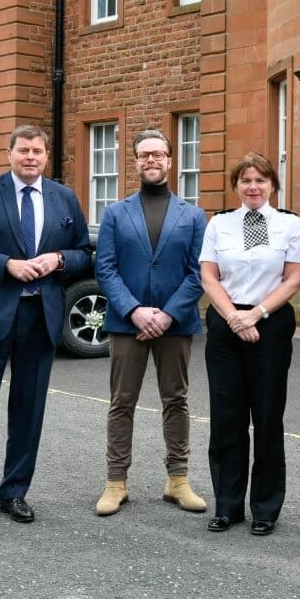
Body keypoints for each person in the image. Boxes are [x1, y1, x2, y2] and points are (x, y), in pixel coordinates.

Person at [0, 125, 92, 531]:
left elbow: (85, 253)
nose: (31, 157)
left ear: (47, 156)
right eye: (23, 150)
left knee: (28, 411)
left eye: (38, 151)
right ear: (10, 154)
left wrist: (60, 260)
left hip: (39, 317)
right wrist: (5, 265)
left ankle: (14, 492)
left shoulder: (64, 198)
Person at [93, 129, 208, 516]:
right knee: (121, 402)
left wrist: (168, 313)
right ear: (136, 161)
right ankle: (115, 482)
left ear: (170, 161)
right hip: (127, 323)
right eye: (144, 155)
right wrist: (135, 310)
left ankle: (178, 480)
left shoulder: (192, 216)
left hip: (176, 324)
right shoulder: (115, 213)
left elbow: (199, 272)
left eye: (158, 154)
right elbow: (105, 269)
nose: (151, 160)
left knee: (175, 400)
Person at [199, 153, 300, 536]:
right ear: (235, 186)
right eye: (245, 180)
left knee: (266, 418)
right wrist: (234, 317)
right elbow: (209, 276)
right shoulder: (219, 224)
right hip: (226, 323)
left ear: (272, 186)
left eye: (261, 181)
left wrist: (256, 314)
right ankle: (227, 506)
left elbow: (293, 279)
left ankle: (265, 508)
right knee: (227, 418)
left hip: (271, 323)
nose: (252, 187)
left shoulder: (289, 225)